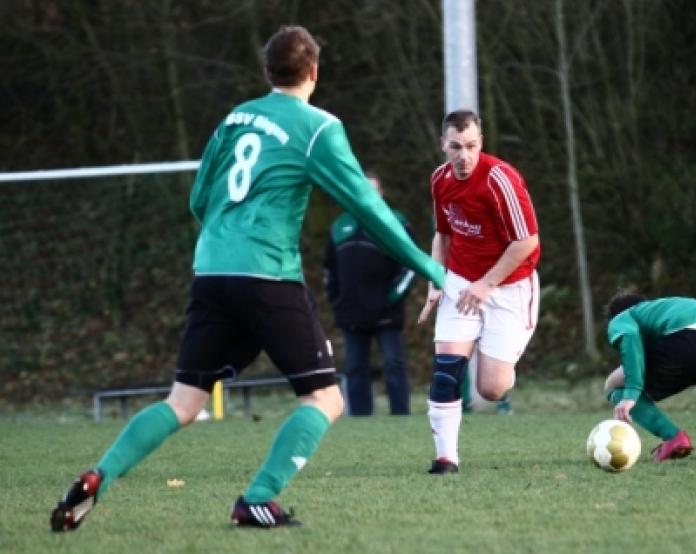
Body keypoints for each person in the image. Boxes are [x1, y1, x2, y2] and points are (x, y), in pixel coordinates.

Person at [50, 25, 445, 532]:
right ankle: (257, 498)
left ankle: (98, 475)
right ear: (314, 72)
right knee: (326, 398)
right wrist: (432, 268)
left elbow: (199, 199)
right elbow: (369, 209)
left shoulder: (233, 119)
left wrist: (225, 240)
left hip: (211, 272)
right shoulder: (319, 128)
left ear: (266, 73)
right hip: (267, 277)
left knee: (183, 401)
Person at [417, 109, 540, 474]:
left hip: (509, 286)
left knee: (491, 389)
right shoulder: (440, 179)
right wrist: (436, 281)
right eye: (455, 146)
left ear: (480, 143)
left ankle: (502, 358)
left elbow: (528, 241)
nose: (463, 155)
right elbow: (442, 235)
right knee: (445, 370)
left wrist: (487, 284)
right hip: (460, 281)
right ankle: (446, 459)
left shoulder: (500, 179)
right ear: (443, 144)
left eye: (470, 146)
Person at [605, 291, 696, 462]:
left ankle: (673, 438)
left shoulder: (623, 316)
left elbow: (630, 336)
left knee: (615, 387)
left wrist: (631, 393)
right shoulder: (665, 308)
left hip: (688, 342)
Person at [324, 171, 415, 416]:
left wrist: (392, 297)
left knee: (393, 364)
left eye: (374, 190)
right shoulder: (340, 226)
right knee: (354, 367)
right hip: (351, 313)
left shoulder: (396, 222)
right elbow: (329, 269)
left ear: (382, 193)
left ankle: (400, 416)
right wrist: (336, 299)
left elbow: (411, 266)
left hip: (386, 312)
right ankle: (361, 420)